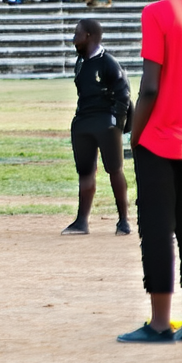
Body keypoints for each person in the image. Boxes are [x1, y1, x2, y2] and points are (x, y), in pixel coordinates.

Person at [121, 0, 182, 343]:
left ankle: (159, 323)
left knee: (157, 228)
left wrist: (135, 136)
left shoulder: (155, 13)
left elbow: (150, 88)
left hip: (159, 138)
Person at [64, 19, 131, 236]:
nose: (73, 39)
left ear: (89, 36)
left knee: (114, 170)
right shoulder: (80, 62)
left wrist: (117, 125)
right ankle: (81, 221)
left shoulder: (108, 63)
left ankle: (123, 221)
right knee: (85, 172)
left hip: (106, 122)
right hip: (83, 122)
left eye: (77, 34)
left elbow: (123, 94)